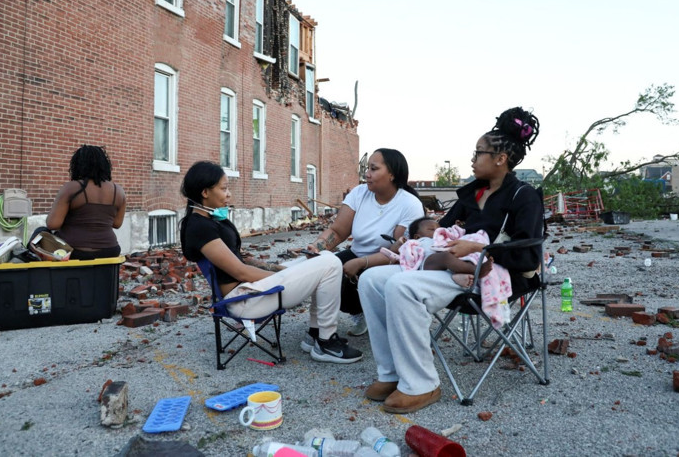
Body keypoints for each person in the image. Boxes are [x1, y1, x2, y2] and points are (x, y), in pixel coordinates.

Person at [358, 107, 543, 414]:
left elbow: (529, 254)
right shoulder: (471, 194)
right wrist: (415, 242)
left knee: (402, 287)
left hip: (495, 275)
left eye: (479, 152)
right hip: (452, 269)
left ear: (500, 159)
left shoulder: (523, 196)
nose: (473, 158)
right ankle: (391, 373)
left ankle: (421, 384)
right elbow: (441, 230)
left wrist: (479, 248)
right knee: (371, 280)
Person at [179, 161, 363, 364]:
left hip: (252, 290)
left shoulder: (210, 220)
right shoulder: (200, 227)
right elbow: (241, 272)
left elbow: (244, 260)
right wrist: (284, 277)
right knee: (331, 264)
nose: (228, 194)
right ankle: (326, 342)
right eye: (224, 189)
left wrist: (283, 268)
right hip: (245, 299)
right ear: (205, 192)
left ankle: (315, 334)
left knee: (325, 258)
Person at [305, 148, 424, 338]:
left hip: (388, 262)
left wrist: (362, 263)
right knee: (324, 274)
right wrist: (317, 246)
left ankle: (374, 311)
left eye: (374, 169)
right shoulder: (359, 193)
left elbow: (397, 253)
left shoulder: (410, 204)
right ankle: (342, 321)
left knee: (349, 282)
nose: (367, 174)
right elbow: (338, 231)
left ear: (392, 174)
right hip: (357, 253)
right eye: (367, 168)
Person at [45, 145, 126, 260]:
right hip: (110, 250)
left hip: (74, 252)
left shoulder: (71, 188)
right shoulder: (119, 191)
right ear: (104, 166)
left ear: (77, 165)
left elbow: (52, 224)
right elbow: (117, 224)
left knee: (40, 232)